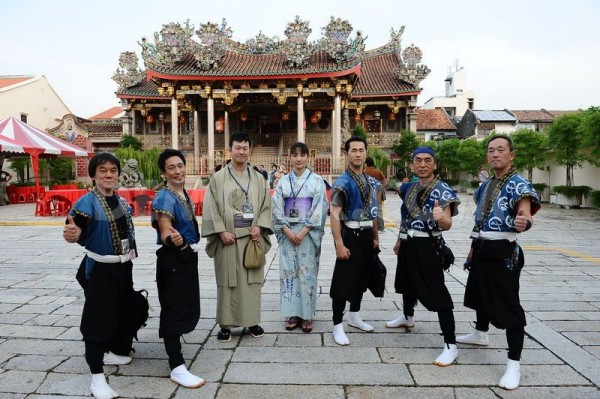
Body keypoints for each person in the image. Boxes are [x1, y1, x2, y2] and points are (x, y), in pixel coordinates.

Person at [457, 134, 540, 390]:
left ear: (511, 155)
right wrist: (472, 249)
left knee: (509, 307)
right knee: (480, 294)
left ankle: (514, 363)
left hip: (503, 251)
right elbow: (479, 220)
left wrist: (523, 222)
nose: (495, 154)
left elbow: (525, 214)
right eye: (491, 150)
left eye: (501, 150)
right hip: (482, 246)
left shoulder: (518, 184)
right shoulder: (484, 185)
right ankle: (480, 333)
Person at [62, 153, 137, 399]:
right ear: (93, 174)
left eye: (112, 170)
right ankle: (96, 378)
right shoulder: (86, 203)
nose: (108, 174)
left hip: (124, 267)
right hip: (101, 269)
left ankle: (113, 350)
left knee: (128, 309)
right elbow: (74, 229)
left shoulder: (122, 202)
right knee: (97, 320)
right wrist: (72, 234)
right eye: (102, 170)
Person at [386, 147, 461, 366]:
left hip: (428, 244)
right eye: (418, 160)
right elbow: (406, 216)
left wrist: (440, 218)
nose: (422, 164)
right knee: (406, 281)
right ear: (411, 165)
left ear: (435, 165)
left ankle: (450, 344)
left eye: (428, 160)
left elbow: (447, 225)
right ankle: (408, 317)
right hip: (409, 241)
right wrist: (400, 239)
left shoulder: (443, 190)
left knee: (437, 292)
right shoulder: (408, 188)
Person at [201, 133, 273, 343]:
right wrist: (220, 231)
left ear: (249, 150)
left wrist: (260, 226)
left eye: (245, 148)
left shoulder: (259, 178)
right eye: (237, 147)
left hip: (251, 239)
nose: (241, 151)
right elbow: (211, 208)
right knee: (227, 281)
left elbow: (265, 206)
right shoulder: (218, 178)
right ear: (230, 150)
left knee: (252, 282)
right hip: (227, 239)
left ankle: (252, 321)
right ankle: (225, 324)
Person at [151, 149, 205, 389]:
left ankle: (176, 355)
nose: (177, 171)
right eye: (171, 167)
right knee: (173, 310)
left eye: (180, 165)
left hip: (185, 255)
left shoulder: (182, 193)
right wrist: (172, 238)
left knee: (185, 304)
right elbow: (165, 229)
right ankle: (176, 365)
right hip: (173, 257)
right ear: (164, 172)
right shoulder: (164, 198)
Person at [272, 142, 328, 333]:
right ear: (289, 157)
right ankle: (293, 313)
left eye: (302, 155)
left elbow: (320, 206)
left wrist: (304, 231)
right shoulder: (283, 182)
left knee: (307, 273)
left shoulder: (317, 181)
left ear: (308, 157)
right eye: (294, 155)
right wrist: (287, 231)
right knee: (289, 273)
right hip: (288, 233)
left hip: (307, 234)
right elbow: (276, 207)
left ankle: (307, 315)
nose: (298, 159)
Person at [329, 136, 380, 346]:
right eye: (353, 151)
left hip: (367, 235)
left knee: (362, 278)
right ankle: (337, 324)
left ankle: (354, 315)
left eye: (361, 150)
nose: (358, 154)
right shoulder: (342, 183)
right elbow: (334, 215)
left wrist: (376, 236)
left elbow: (374, 212)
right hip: (350, 235)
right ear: (346, 154)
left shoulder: (371, 182)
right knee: (343, 281)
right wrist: (339, 244)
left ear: (366, 153)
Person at [363, 157, 388, 232]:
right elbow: (385, 182)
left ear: (366, 163)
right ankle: (380, 227)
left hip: (366, 193)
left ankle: (368, 226)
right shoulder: (378, 171)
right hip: (378, 193)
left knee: (366, 209)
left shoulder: (363, 172)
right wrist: (379, 187)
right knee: (378, 210)